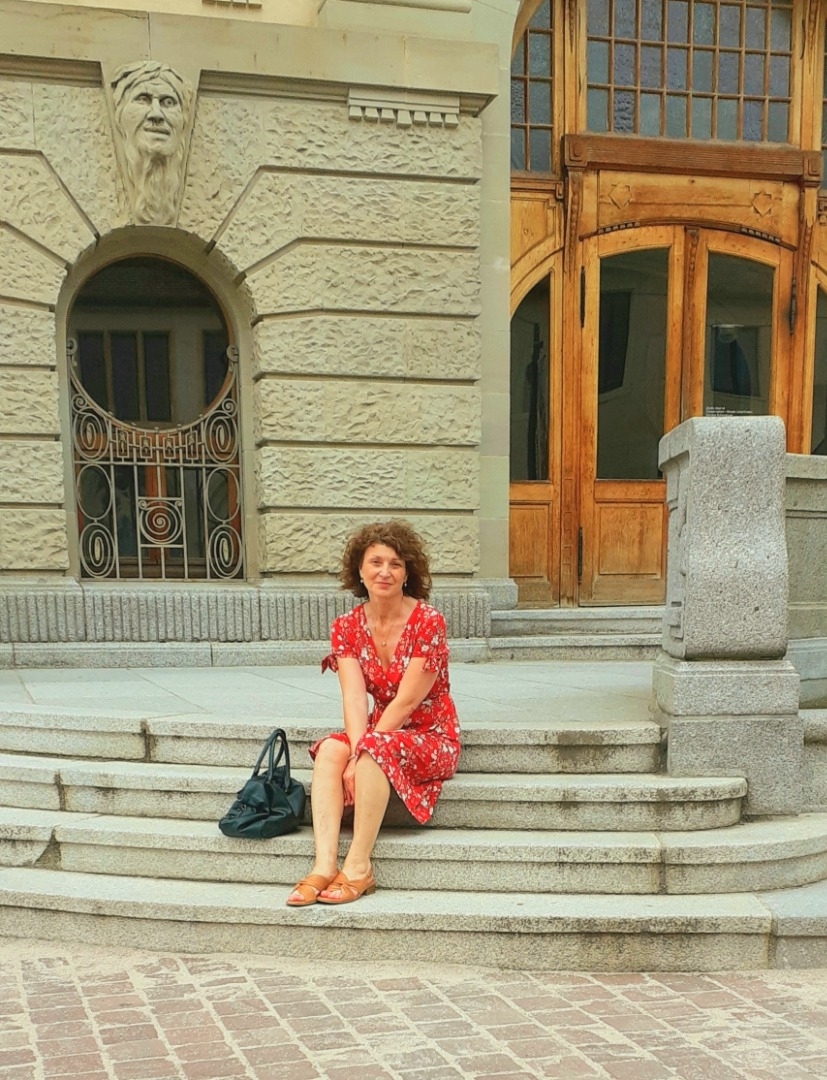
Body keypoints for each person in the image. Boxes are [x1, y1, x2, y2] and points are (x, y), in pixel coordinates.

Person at [286, 520, 460, 906]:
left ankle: (359, 866)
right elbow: (353, 698)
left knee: (371, 750)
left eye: (395, 564)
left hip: (429, 734)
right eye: (376, 562)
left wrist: (365, 749)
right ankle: (324, 864)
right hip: (380, 729)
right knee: (331, 750)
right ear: (360, 571)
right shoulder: (347, 626)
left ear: (408, 573)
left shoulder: (428, 621)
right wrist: (354, 750)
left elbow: (407, 702)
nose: (385, 572)